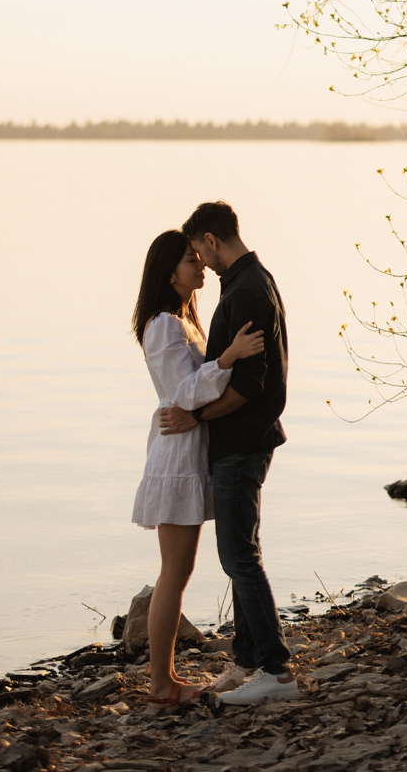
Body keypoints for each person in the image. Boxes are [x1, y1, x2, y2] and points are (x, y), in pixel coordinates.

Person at [159, 200, 296, 706]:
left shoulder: (245, 291)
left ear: (210, 240)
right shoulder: (250, 281)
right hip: (242, 442)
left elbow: (247, 386)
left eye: (198, 251)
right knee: (242, 552)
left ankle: (277, 673)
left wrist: (196, 418)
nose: (200, 262)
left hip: (242, 443)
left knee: (240, 558)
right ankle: (245, 659)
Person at [131, 228, 264, 707]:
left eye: (199, 257)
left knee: (179, 570)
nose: (201, 265)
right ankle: (162, 684)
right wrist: (229, 356)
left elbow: (190, 391)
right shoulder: (164, 324)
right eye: (191, 260)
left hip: (190, 452)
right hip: (176, 458)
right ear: (170, 273)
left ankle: (163, 678)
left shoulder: (183, 321)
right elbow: (184, 393)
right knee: (174, 573)